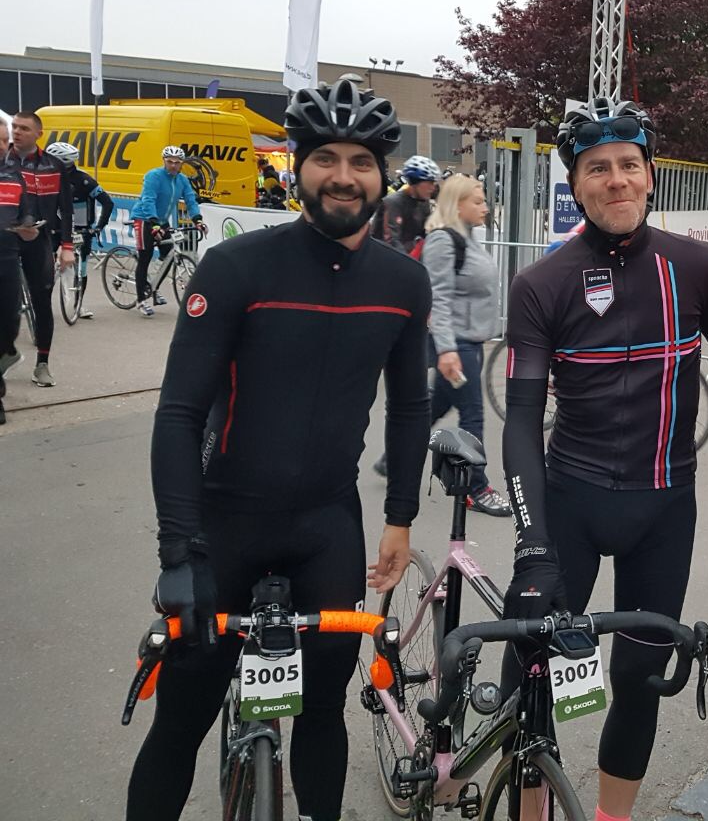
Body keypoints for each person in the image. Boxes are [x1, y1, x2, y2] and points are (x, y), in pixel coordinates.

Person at [125, 78, 433, 821]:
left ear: (382, 175)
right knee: (182, 721)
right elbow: (178, 414)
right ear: (298, 167)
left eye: (361, 161)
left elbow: (411, 406)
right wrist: (178, 552)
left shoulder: (404, 282)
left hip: (325, 526)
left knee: (324, 713)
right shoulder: (237, 267)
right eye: (325, 157)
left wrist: (399, 519)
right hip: (223, 525)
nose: (343, 176)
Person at [500, 97, 708, 821]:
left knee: (640, 680)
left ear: (649, 175)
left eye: (628, 165)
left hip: (664, 509)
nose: (615, 180)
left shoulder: (697, 267)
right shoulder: (541, 284)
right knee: (529, 676)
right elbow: (521, 421)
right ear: (575, 186)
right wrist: (532, 542)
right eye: (597, 168)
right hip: (570, 503)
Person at [422, 174, 509, 515]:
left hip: (468, 342)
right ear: (457, 205)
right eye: (478, 201)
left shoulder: (467, 238)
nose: (485, 207)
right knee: (472, 415)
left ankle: (395, 455)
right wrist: (446, 350)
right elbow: (438, 299)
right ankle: (477, 487)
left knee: (435, 407)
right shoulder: (444, 242)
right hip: (458, 345)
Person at [4, 111, 74, 386]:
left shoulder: (53, 165)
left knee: (42, 302)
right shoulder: (3, 160)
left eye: (24, 128)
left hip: (40, 240)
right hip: (7, 239)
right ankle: (7, 351)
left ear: (38, 133)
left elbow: (66, 209)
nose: (16, 132)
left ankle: (42, 364)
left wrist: (67, 246)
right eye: (14, 127)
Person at [132, 147, 205, 317]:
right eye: (170, 162)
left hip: (162, 221)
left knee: (168, 254)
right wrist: (153, 223)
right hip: (145, 218)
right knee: (145, 257)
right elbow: (148, 199)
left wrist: (198, 220)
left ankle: (153, 286)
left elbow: (190, 200)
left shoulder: (182, 179)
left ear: (182, 163)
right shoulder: (154, 176)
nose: (173, 165)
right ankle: (141, 299)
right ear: (164, 161)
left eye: (177, 163)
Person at [46, 141, 114, 320]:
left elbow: (107, 202)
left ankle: (79, 304)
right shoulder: (46, 178)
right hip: (56, 228)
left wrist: (98, 227)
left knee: (82, 270)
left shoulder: (84, 180)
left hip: (82, 230)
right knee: (46, 269)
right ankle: (40, 304)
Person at [0, 119, 27, 423]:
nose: (2, 146)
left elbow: (26, 210)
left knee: (10, 322)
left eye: (4, 140)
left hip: (8, 256)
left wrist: (29, 226)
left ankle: (6, 354)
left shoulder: (14, 173)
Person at [373, 154, 441, 255]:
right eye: (430, 183)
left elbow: (426, 233)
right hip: (384, 256)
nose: (433, 188)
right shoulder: (392, 202)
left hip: (408, 255)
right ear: (415, 182)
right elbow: (391, 241)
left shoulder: (423, 203)